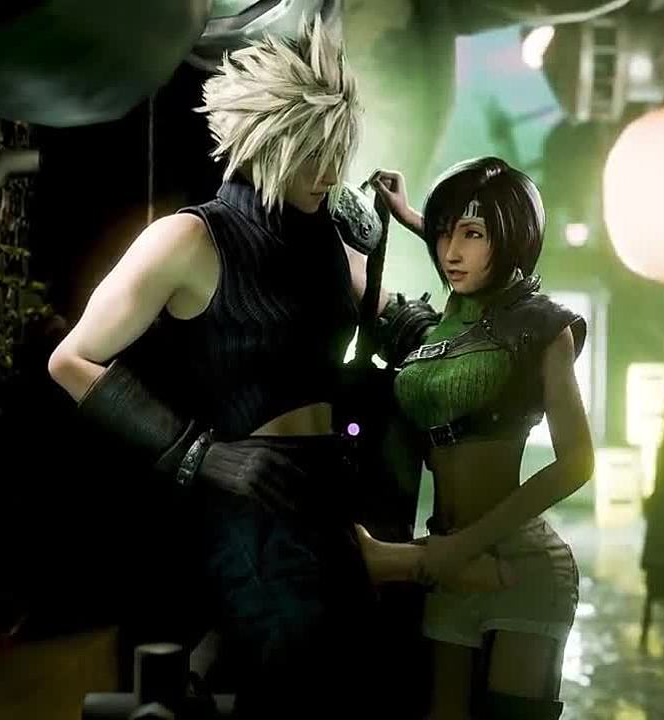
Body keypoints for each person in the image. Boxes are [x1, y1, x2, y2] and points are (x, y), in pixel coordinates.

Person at [46, 16, 505, 716]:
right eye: (313, 151)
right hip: (249, 508)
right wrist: (201, 455)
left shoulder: (326, 241)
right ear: (269, 140)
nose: (329, 171)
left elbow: (407, 323)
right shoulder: (188, 238)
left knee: (350, 684)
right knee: (295, 683)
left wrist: (420, 233)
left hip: (332, 495)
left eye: (338, 151)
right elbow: (72, 360)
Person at [370, 157, 595, 720]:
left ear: (511, 237)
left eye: (471, 235)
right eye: (444, 234)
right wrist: (413, 217)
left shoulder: (544, 326)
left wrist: (460, 548)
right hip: (448, 560)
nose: (451, 252)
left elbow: (578, 462)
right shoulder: (450, 318)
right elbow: (462, 253)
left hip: (518, 565)